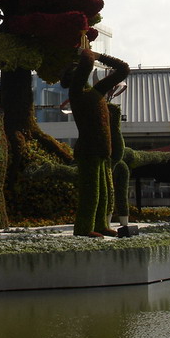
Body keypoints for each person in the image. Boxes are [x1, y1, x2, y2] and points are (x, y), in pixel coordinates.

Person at [61, 48, 130, 237]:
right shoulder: (76, 94)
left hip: (102, 151)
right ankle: (84, 228)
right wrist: (85, 54)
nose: (80, 75)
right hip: (88, 151)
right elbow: (85, 67)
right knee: (90, 191)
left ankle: (100, 225)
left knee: (104, 191)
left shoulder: (96, 92)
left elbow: (123, 69)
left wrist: (99, 56)